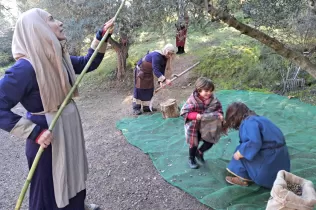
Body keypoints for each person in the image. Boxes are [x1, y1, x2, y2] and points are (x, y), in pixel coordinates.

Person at [0, 8, 114, 210]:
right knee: (49, 187)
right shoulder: (24, 69)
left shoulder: (57, 59)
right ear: (38, 29)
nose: (60, 23)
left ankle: (76, 206)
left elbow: (88, 63)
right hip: (47, 137)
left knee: (72, 174)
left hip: (68, 128)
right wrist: (34, 132)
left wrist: (101, 36)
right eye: (51, 19)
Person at [224, 102, 291, 188]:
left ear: (235, 117)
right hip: (282, 171)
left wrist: (240, 153)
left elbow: (254, 142)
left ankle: (243, 178)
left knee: (240, 151)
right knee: (245, 151)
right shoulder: (261, 119)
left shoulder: (248, 122)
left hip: (268, 170)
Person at [180, 77, 224, 169]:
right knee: (194, 143)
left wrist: (220, 115)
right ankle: (191, 159)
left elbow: (219, 109)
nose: (209, 93)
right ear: (199, 90)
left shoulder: (213, 100)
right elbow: (184, 112)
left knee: (210, 140)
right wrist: (195, 115)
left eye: (211, 91)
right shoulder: (192, 100)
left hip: (207, 125)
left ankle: (199, 153)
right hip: (194, 126)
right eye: (206, 90)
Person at [132, 44, 176, 115]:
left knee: (149, 89)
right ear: (165, 51)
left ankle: (146, 107)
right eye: (169, 53)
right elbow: (156, 70)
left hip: (148, 72)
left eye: (171, 54)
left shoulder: (165, 58)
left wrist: (161, 82)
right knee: (139, 89)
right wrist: (165, 80)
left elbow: (161, 70)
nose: (170, 56)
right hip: (141, 72)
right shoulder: (156, 56)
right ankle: (136, 108)